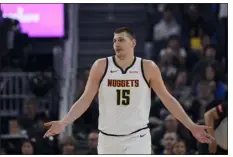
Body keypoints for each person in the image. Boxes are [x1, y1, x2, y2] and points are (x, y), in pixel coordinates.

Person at [43, 27, 215, 154]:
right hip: (108, 137)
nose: (117, 44)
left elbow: (168, 100)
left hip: (137, 137)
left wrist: (191, 125)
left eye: (121, 40)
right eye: (115, 40)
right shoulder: (101, 66)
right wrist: (64, 122)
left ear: (133, 43)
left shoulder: (147, 67)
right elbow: (85, 99)